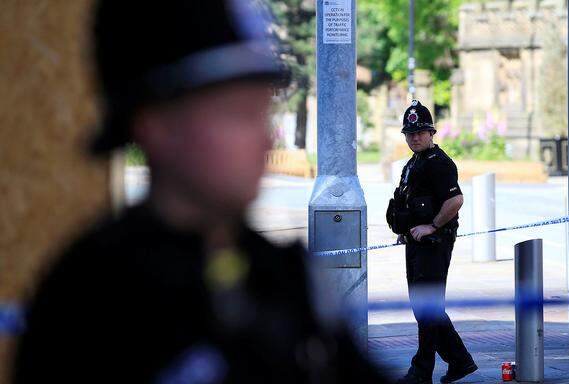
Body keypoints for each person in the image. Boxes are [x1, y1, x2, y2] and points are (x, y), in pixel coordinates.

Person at [12, 1, 390, 383]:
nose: (264, 139)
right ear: (155, 126)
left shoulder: (286, 275)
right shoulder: (90, 299)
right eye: (237, 114)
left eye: (263, 113)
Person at [389, 101, 477, 384]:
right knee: (423, 307)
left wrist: (432, 226)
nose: (415, 137)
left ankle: (422, 370)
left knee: (427, 306)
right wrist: (407, 229)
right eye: (410, 133)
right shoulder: (413, 164)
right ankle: (460, 362)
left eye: (421, 132)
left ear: (432, 133)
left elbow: (455, 200)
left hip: (435, 244)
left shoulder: (440, 163)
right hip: (417, 244)